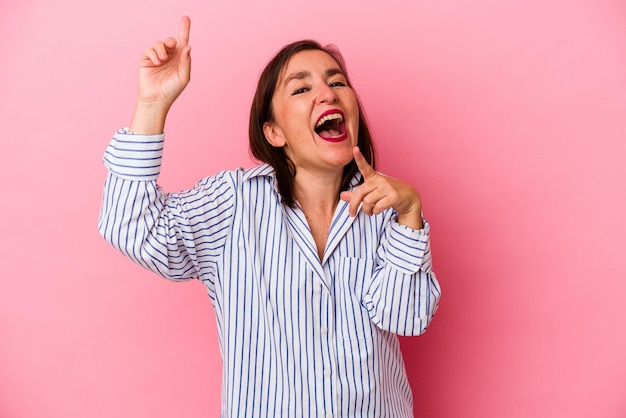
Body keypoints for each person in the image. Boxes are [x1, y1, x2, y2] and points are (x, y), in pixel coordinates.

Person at [99, 15, 441, 418]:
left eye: (336, 82)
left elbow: (405, 317)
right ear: (273, 133)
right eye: (302, 88)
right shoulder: (233, 202)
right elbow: (131, 226)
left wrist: (410, 215)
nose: (327, 94)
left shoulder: (388, 210)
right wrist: (152, 105)